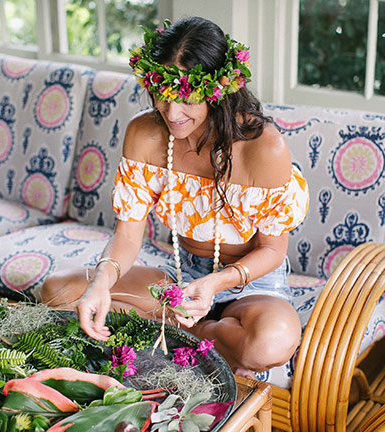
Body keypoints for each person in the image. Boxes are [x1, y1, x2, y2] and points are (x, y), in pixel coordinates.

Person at [41, 16, 309, 378]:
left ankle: (185, 335)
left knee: (271, 341)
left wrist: (214, 284)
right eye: (162, 96)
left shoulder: (264, 146)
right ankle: (205, 345)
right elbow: (127, 235)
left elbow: (273, 251)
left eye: (185, 97)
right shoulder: (144, 133)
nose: (171, 113)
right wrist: (101, 283)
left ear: (217, 89)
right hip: (180, 281)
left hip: (250, 286)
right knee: (58, 292)